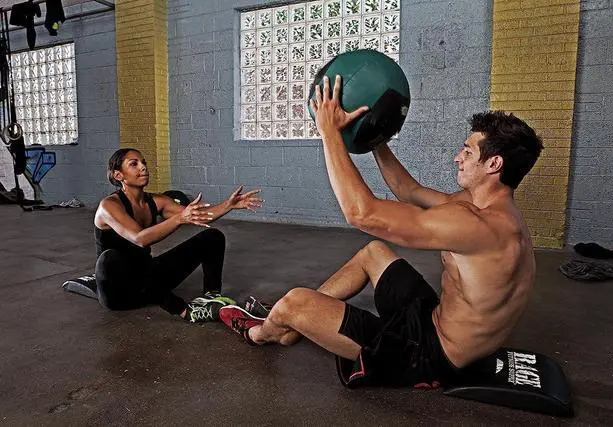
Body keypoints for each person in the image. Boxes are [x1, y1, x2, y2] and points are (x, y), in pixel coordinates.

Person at [220, 75, 544, 388]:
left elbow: (362, 213)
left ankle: (263, 332)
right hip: (432, 320)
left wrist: (329, 132)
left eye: (468, 152)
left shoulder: (478, 226)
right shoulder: (492, 212)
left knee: (294, 302)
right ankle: (294, 323)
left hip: (429, 355)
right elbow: (409, 190)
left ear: (494, 164)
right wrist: (375, 138)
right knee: (373, 253)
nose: (458, 157)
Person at [94, 148, 263, 323]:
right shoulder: (109, 206)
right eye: (133, 164)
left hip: (148, 282)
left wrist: (229, 205)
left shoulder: (156, 201)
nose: (143, 167)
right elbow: (140, 239)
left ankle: (211, 297)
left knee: (212, 237)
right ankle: (186, 311)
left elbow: (199, 216)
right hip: (119, 292)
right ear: (118, 175)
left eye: (143, 163)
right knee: (110, 258)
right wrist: (179, 219)